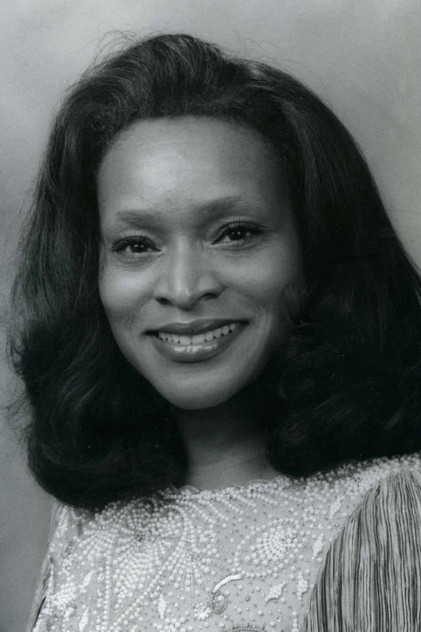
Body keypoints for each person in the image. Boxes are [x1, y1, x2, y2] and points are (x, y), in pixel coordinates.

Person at [9, 33, 421, 632]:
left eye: (234, 233)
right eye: (136, 245)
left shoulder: (390, 509)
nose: (183, 288)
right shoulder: (86, 516)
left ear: (316, 250)